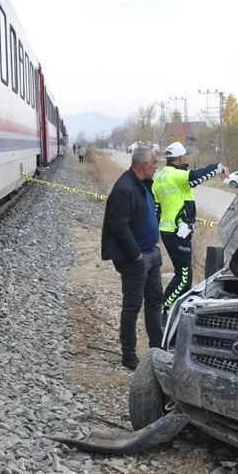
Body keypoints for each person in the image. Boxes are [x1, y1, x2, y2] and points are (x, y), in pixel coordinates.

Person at [101, 146, 163, 370]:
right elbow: (118, 226)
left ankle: (157, 347)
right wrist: (136, 255)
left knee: (155, 301)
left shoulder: (143, 183)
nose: (156, 167)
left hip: (152, 254)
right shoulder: (124, 188)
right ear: (144, 165)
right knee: (132, 305)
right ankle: (128, 355)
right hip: (135, 259)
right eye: (154, 163)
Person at [152, 142, 228, 318]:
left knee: (184, 275)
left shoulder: (160, 177)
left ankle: (172, 310)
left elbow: (156, 209)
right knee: (184, 277)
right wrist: (217, 168)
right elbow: (197, 176)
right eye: (184, 157)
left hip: (167, 230)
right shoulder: (178, 175)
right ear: (180, 158)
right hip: (178, 231)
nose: (185, 160)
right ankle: (163, 309)